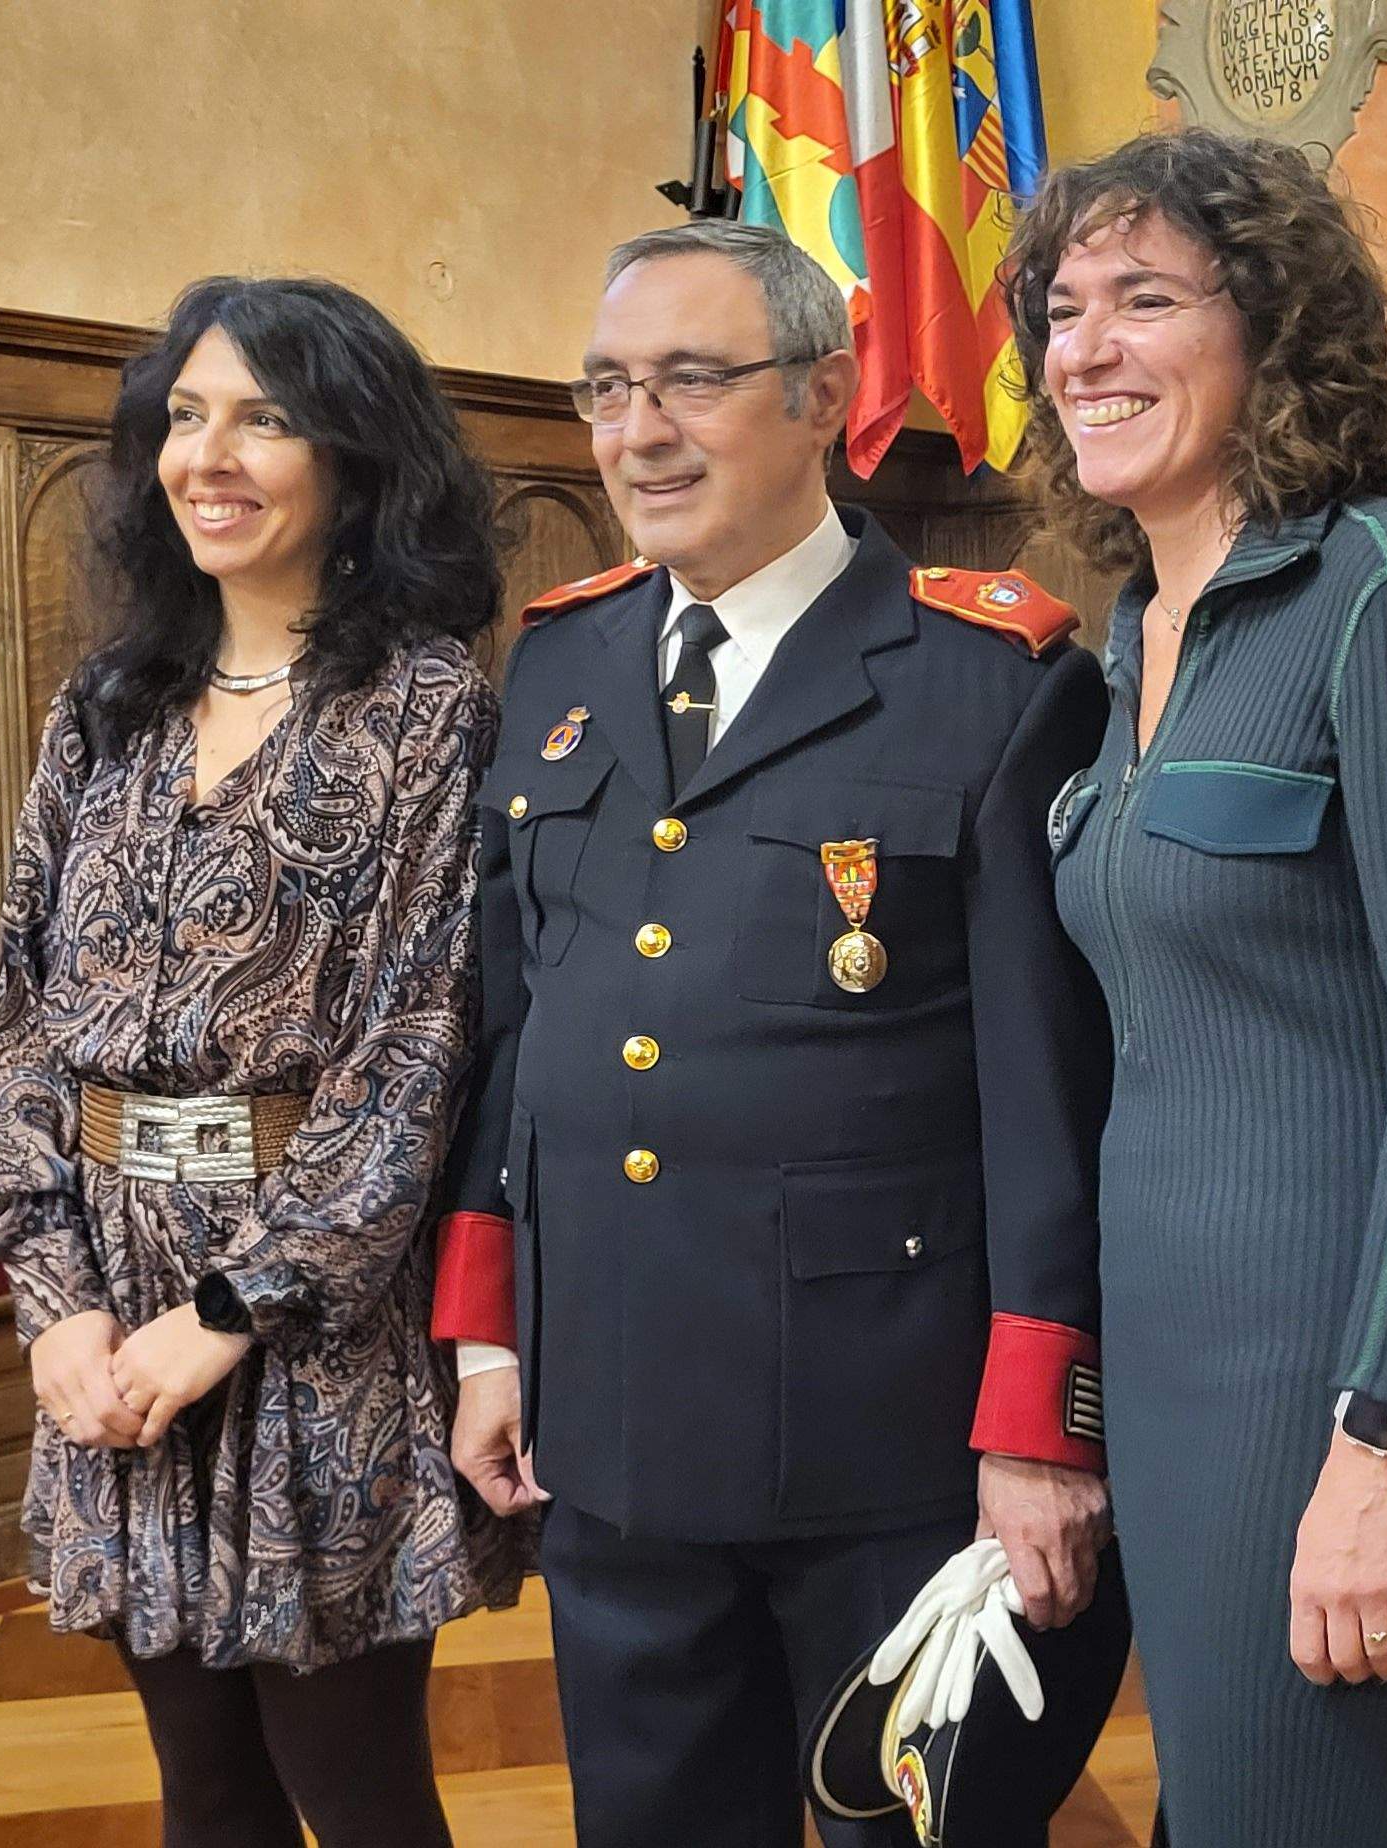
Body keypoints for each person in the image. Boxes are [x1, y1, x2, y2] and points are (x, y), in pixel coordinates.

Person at [433, 218, 1125, 1848]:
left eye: (690, 379)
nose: (638, 431)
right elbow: (516, 1025)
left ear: (826, 396)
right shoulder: (563, 662)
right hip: (609, 1412)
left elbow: (1049, 1095)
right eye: (608, 388)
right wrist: (487, 1334)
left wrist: (1039, 1429)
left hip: (885, 1441)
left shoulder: (995, 676)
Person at [1004, 129, 1387, 1844]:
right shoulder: (1122, 635)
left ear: (1277, 333)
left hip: (1346, 1341)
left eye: (1146, 300)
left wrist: (1385, 1439)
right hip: (1177, 1341)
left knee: (1302, 1805)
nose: (1084, 349)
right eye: (1062, 307)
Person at [0, 274, 518, 1848]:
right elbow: (17, 1020)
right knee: (203, 1792)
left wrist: (229, 1315)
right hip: (110, 1324)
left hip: (311, 1340)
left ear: (356, 460)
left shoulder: (425, 711)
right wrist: (55, 1303)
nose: (210, 456)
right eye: (187, 416)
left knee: (353, 1795)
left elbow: (424, 1049)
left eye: (265, 419)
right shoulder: (107, 706)